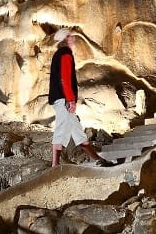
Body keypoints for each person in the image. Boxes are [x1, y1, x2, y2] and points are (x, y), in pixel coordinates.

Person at [48, 28, 116, 167]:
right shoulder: (65, 54)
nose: (72, 38)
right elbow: (65, 79)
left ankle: (97, 159)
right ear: (64, 40)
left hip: (61, 98)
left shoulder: (58, 55)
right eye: (69, 36)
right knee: (61, 129)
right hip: (63, 99)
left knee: (78, 133)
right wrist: (70, 99)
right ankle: (55, 165)